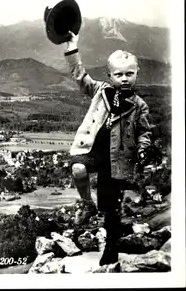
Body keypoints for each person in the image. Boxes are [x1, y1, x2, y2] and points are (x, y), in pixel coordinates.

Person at [63, 31, 152, 265]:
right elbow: (80, 77)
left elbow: (145, 132)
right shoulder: (101, 91)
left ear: (136, 74)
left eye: (129, 74)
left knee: (111, 208)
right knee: (78, 169)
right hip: (92, 150)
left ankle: (110, 249)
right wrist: (72, 48)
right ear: (110, 75)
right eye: (119, 74)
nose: (124, 78)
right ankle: (86, 202)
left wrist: (143, 148)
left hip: (117, 159)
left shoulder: (139, 106)